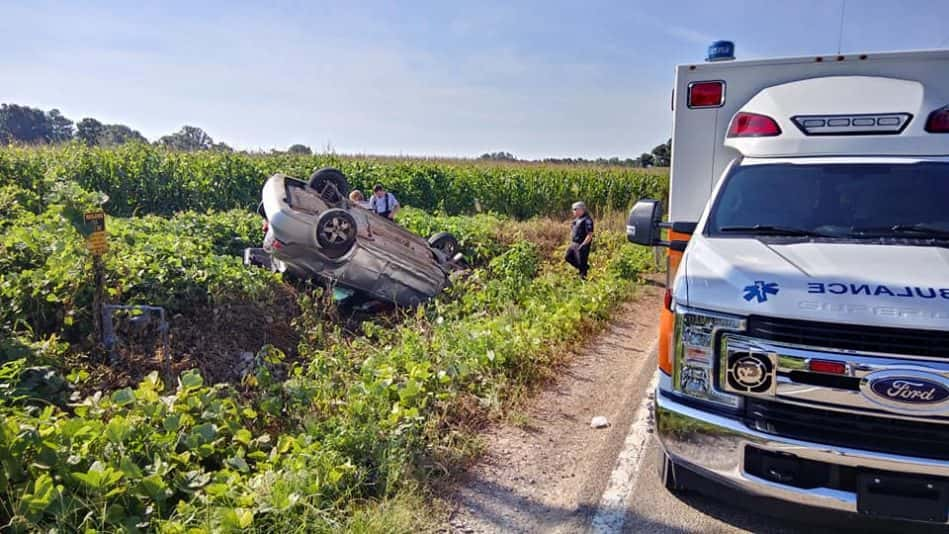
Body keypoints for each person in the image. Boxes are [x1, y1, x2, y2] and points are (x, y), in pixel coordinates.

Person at [565, 201, 594, 278]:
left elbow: (590, 234)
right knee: (568, 257)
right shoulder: (576, 219)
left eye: (575, 209)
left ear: (581, 209)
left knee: (581, 262)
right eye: (573, 209)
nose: (573, 211)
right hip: (574, 243)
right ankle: (584, 268)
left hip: (582, 243)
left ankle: (583, 278)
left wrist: (583, 245)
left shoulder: (587, 220)